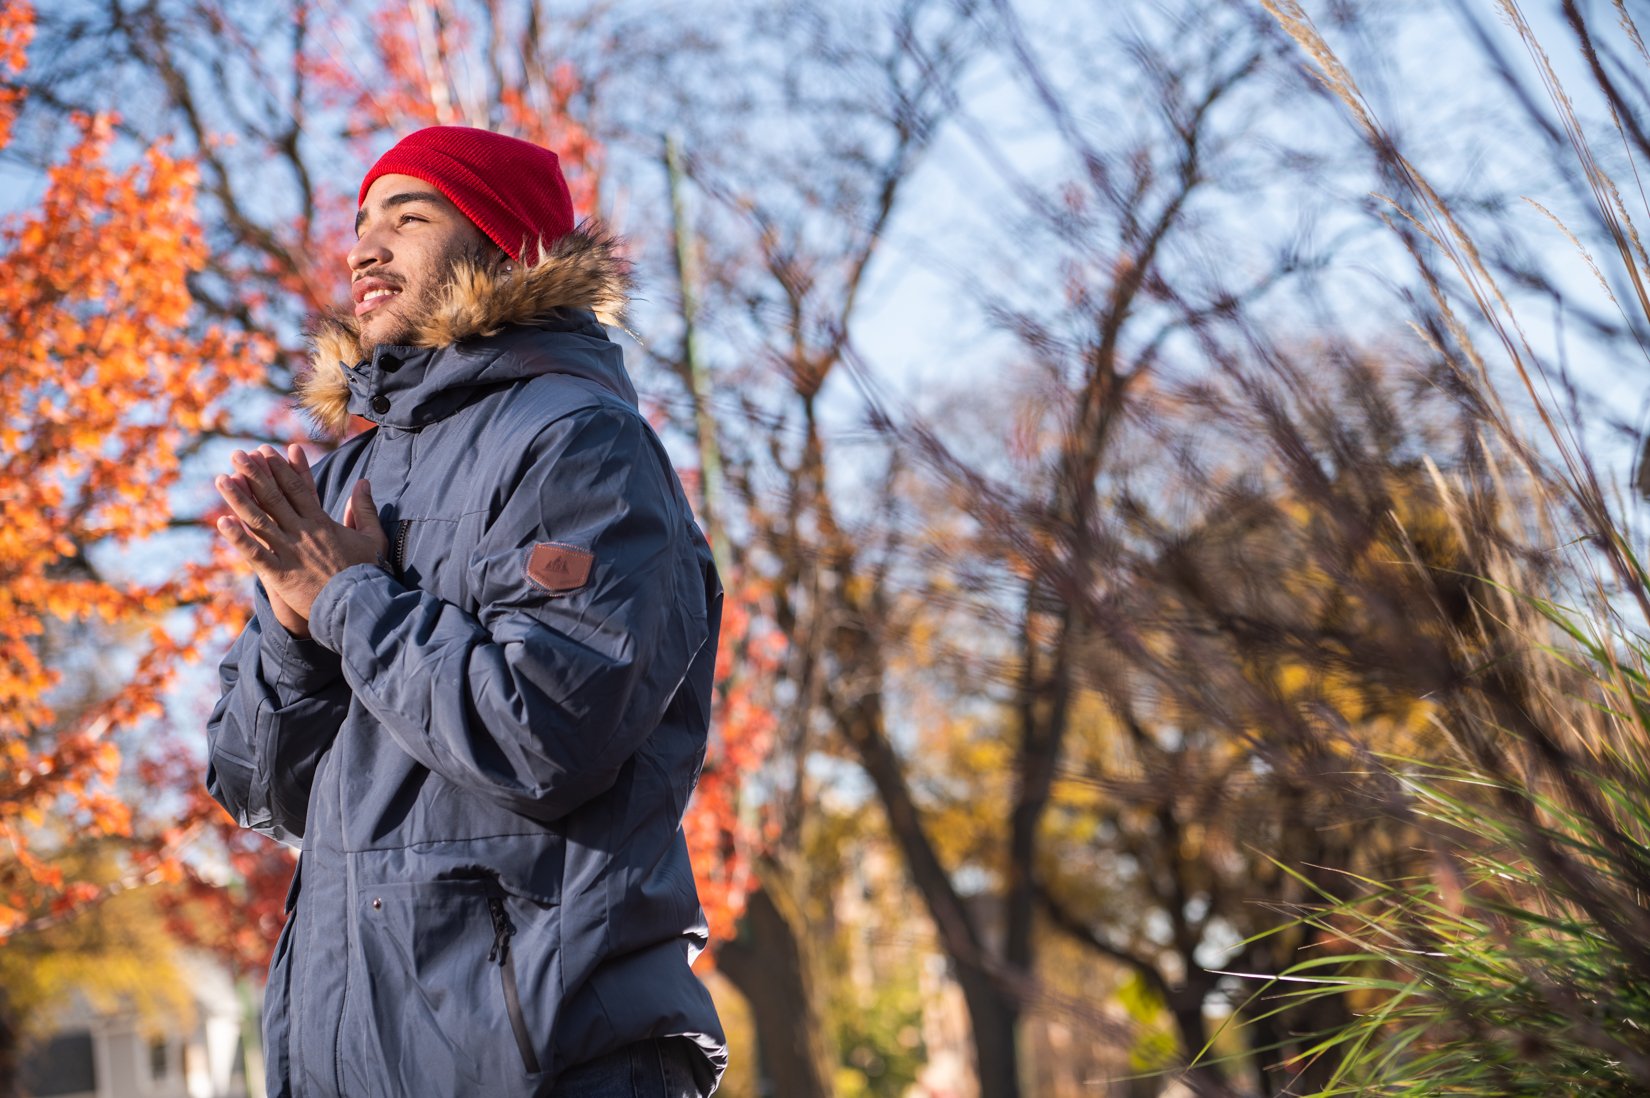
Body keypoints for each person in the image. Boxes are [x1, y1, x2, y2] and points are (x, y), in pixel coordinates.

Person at [204, 125, 725, 1098]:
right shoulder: (348, 476)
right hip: (345, 1067)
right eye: (360, 222)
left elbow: (547, 735)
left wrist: (349, 599)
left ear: (500, 240)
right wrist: (292, 634)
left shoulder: (579, 441)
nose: (365, 247)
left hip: (549, 1064)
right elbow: (255, 793)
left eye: (409, 217)